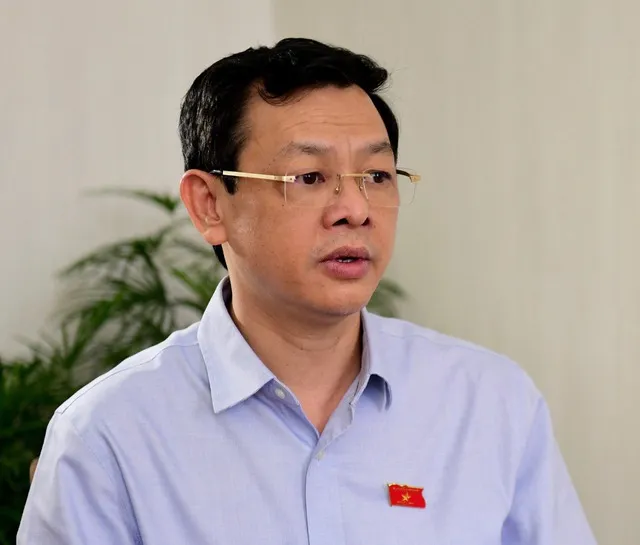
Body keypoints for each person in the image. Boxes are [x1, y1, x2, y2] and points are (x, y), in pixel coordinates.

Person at [18, 37, 597, 544]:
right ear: (209, 205)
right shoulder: (107, 436)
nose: (355, 210)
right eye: (310, 177)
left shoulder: (491, 404)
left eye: (376, 176)